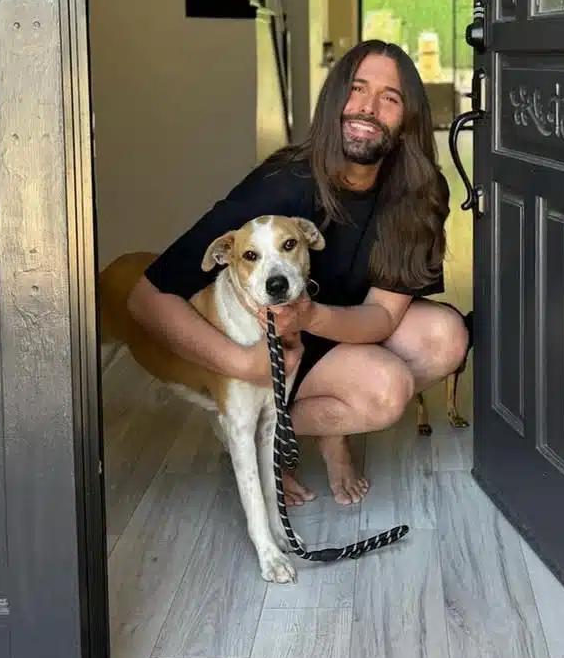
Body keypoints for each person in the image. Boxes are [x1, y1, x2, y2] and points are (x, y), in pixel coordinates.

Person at [127, 40, 470, 506]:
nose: (368, 108)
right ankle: (254, 433)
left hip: (332, 326)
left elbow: (384, 318)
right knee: (387, 391)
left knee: (447, 336)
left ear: (408, 119)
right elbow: (146, 298)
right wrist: (240, 364)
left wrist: (308, 316)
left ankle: (315, 434)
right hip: (276, 349)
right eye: (357, 89)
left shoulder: (420, 190)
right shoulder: (282, 184)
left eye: (390, 98)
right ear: (334, 101)